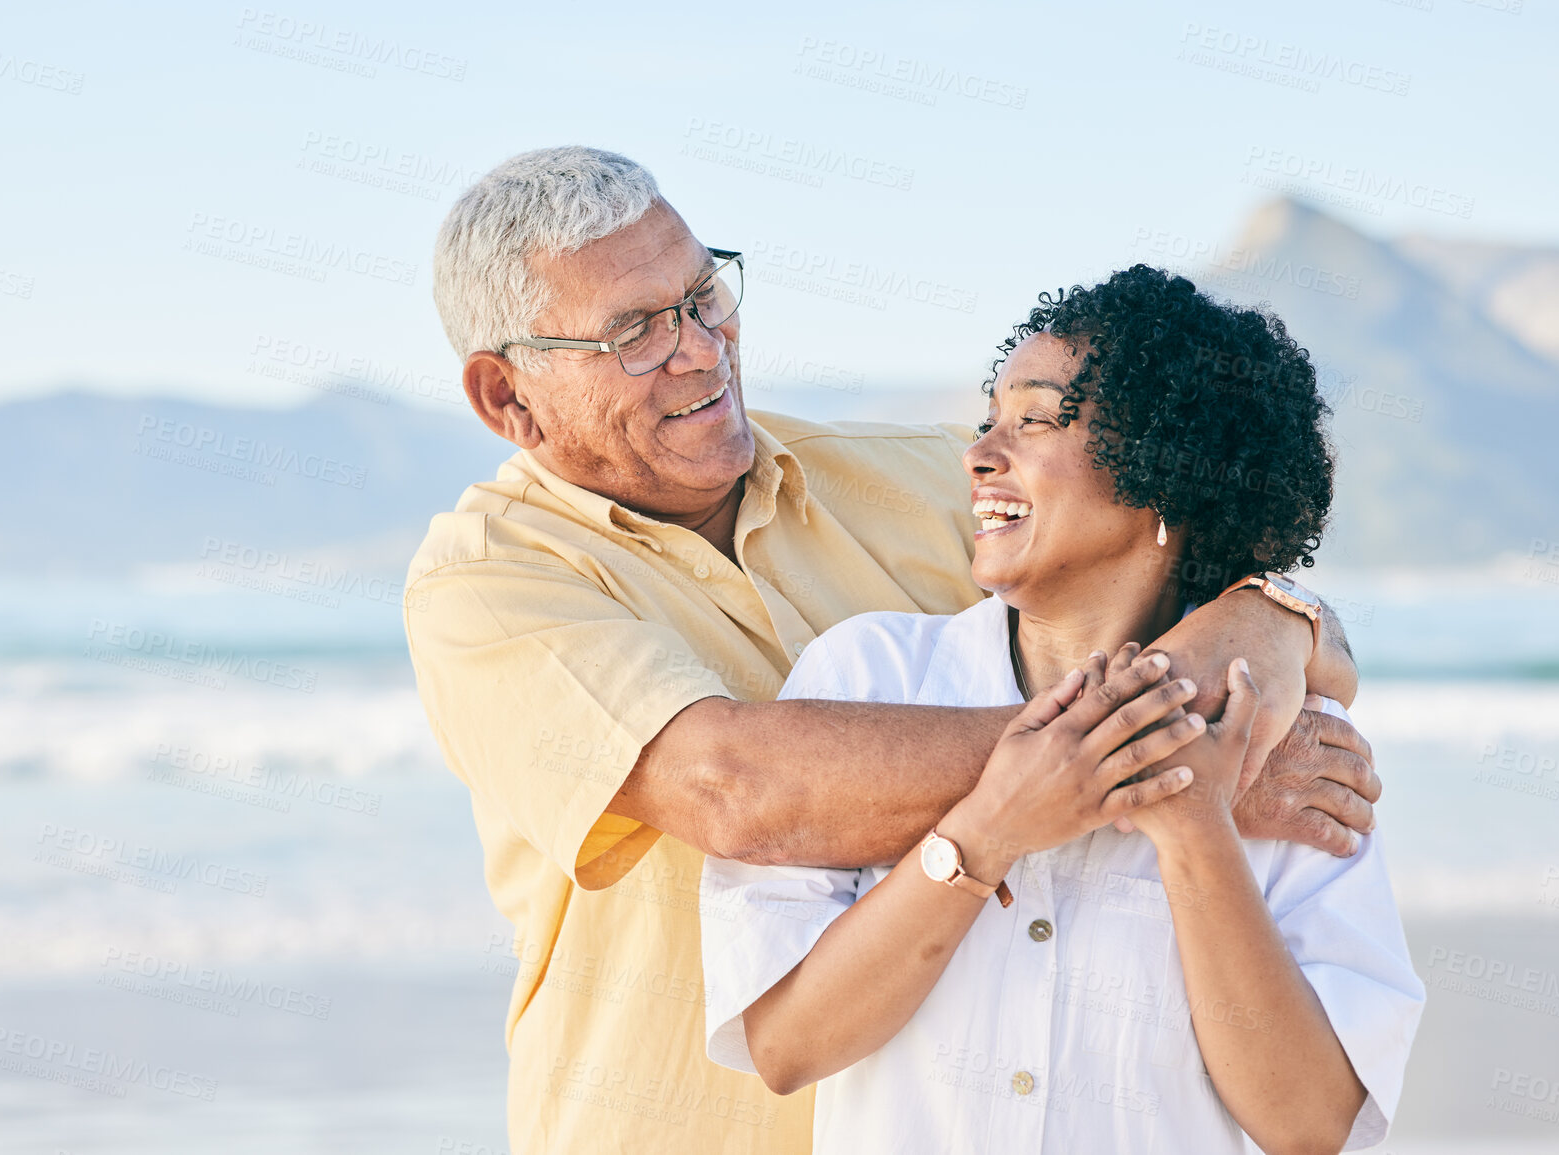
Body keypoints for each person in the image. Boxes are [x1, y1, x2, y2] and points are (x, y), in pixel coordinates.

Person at [403, 146, 1382, 1154]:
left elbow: (1178, 549)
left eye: (701, 296)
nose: (700, 347)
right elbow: (735, 790)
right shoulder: (485, 582)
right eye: (634, 333)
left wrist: (1279, 614)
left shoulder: (912, 480)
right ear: (508, 399)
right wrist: (1149, 760)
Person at [700, 266, 1425, 1154]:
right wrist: (985, 830)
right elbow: (786, 1045)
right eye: (989, 418)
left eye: (1035, 419)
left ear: (1167, 471)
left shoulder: (1284, 739)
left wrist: (1196, 828)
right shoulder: (867, 673)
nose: (977, 454)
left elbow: (1314, 1124)